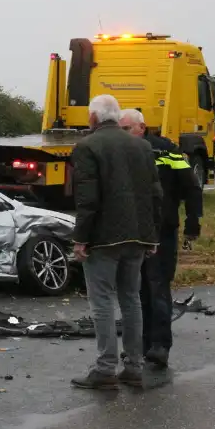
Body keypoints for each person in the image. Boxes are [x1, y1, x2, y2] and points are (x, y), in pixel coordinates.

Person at [69, 94, 163, 389]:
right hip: (137, 236)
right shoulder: (142, 146)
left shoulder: (87, 147)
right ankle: (134, 366)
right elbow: (154, 196)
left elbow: (88, 199)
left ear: (94, 118)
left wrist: (81, 238)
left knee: (102, 303)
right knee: (131, 300)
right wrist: (151, 236)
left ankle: (105, 368)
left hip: (104, 239)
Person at [118, 108, 203, 368]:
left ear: (142, 127)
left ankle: (160, 346)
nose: (123, 135)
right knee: (137, 289)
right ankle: (142, 345)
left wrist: (192, 222)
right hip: (134, 230)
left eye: (126, 129)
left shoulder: (167, 151)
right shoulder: (123, 153)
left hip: (162, 229)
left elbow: (191, 187)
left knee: (157, 287)